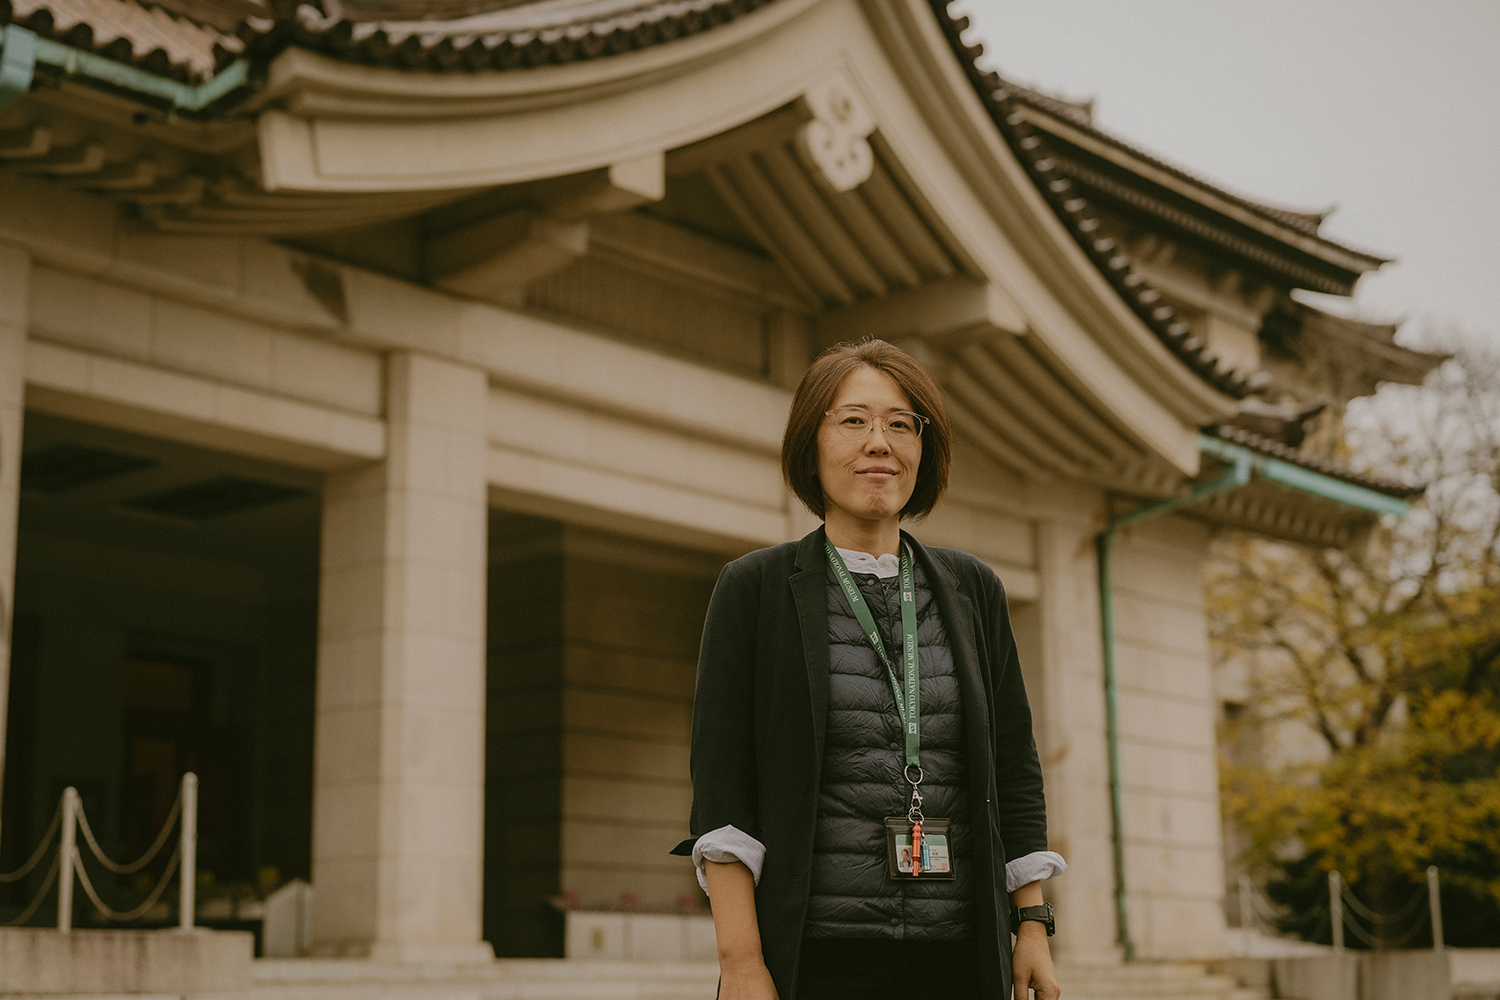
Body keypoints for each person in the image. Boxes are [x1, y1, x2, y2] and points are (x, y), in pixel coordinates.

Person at [672, 339, 1066, 1000]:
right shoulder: (755, 589)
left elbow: (1014, 770)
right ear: (812, 442)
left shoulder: (973, 590)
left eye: (901, 423)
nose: (879, 442)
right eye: (853, 420)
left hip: (960, 957)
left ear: (923, 448)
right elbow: (723, 791)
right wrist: (741, 963)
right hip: (819, 956)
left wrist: (1031, 925)